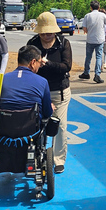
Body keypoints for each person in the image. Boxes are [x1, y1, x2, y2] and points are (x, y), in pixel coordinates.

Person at [27, 11, 72, 174]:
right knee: (34, 124)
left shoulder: (63, 43)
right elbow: (26, 67)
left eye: (50, 32)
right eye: (44, 32)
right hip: (38, 91)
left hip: (59, 91)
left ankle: (58, 159)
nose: (47, 35)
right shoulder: (32, 44)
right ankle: (34, 154)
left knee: (59, 126)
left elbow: (66, 66)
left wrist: (47, 64)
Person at [0, 45, 53, 118]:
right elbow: (47, 112)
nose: (40, 66)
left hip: (4, 125)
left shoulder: (2, 79)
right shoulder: (42, 82)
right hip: (31, 127)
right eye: (40, 63)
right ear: (33, 62)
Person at [81, 0, 106, 83]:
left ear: (91, 8)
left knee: (88, 57)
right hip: (99, 40)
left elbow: (84, 28)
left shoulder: (87, 16)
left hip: (90, 40)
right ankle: (97, 75)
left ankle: (86, 73)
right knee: (98, 57)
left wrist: (90, 32)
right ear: (98, 7)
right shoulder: (102, 15)